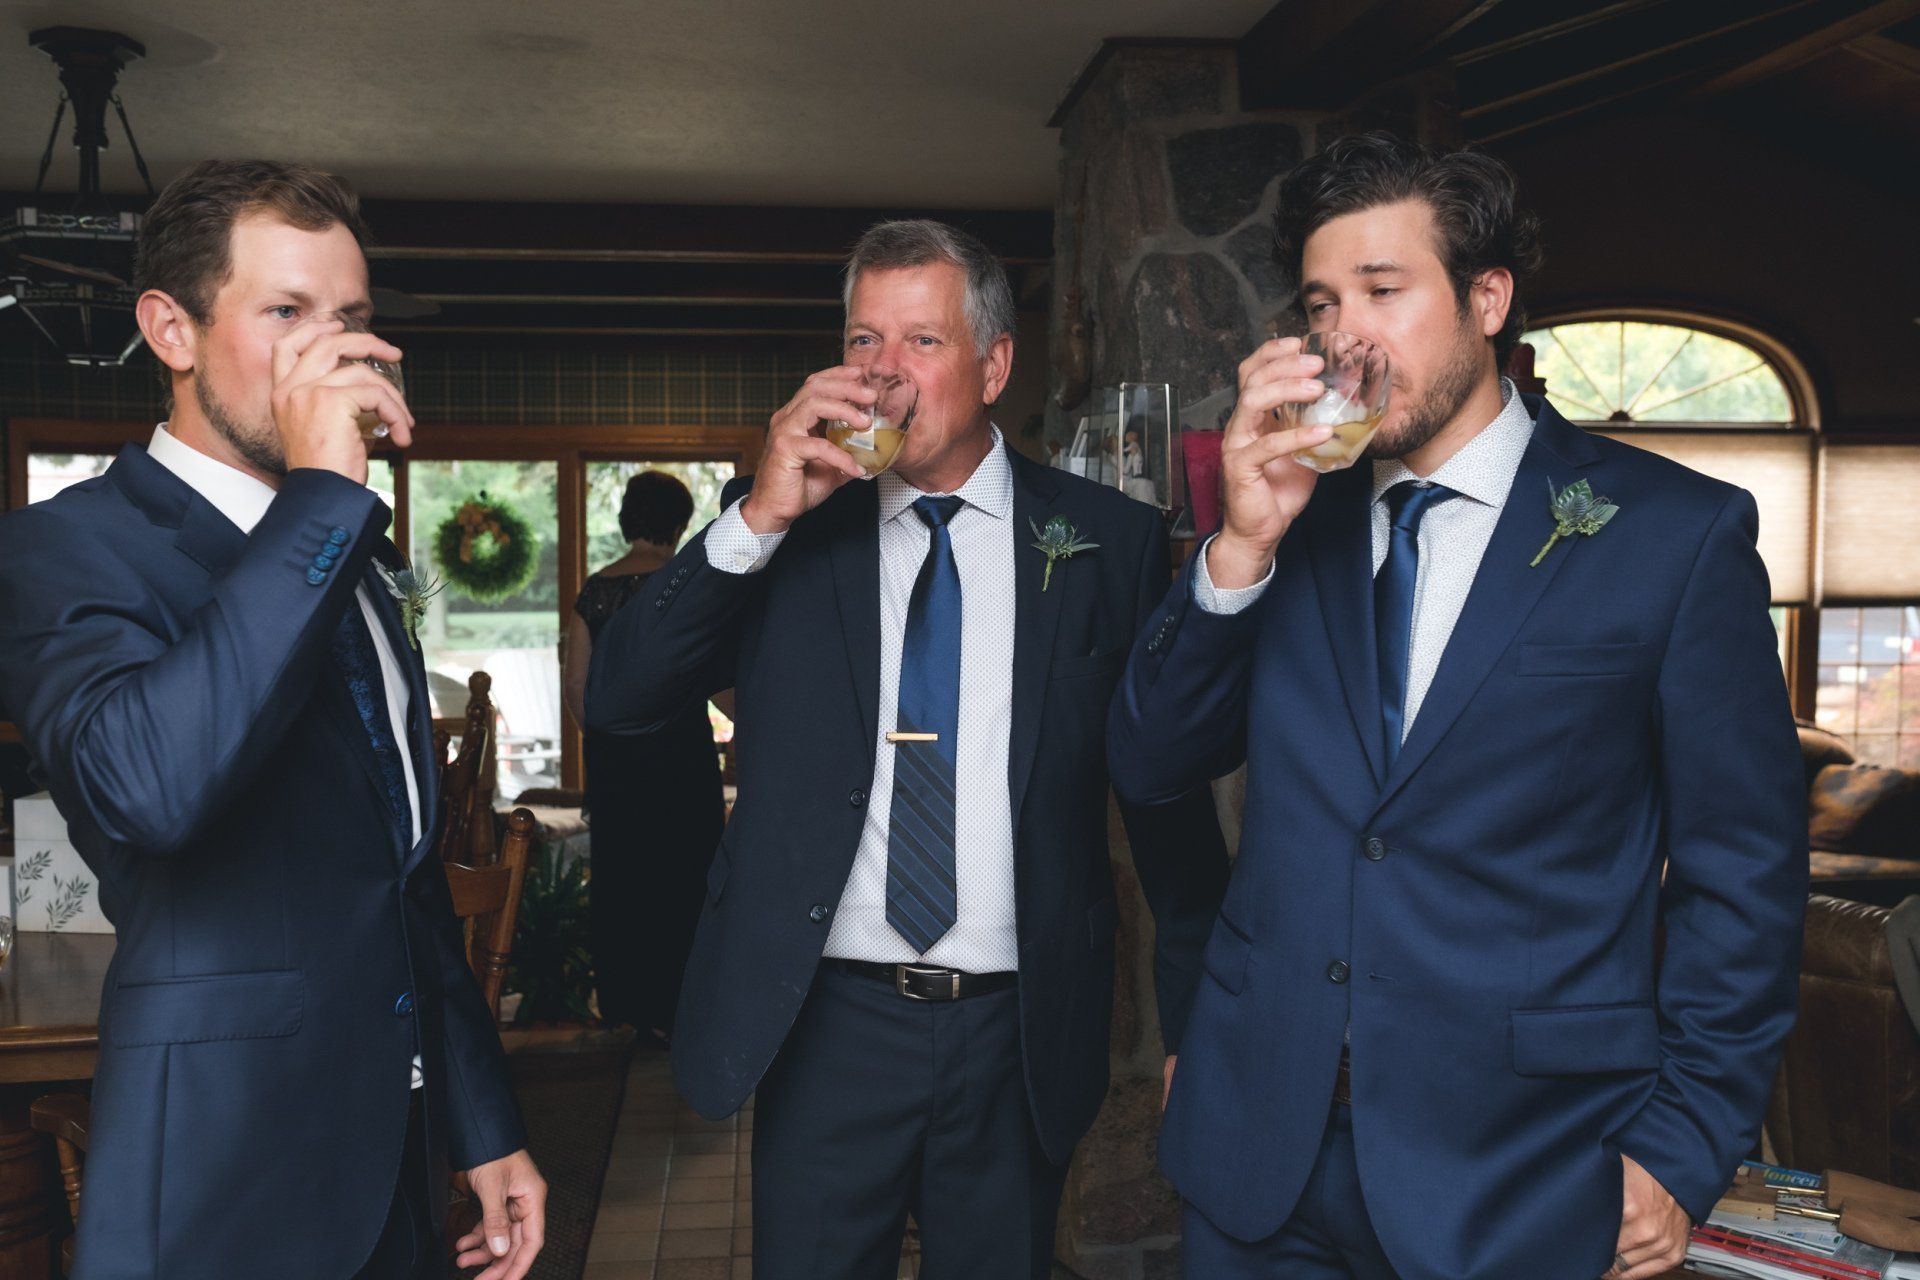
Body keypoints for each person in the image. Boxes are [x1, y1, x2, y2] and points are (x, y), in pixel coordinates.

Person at [1108, 133, 1806, 1280]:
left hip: (1518, 1170)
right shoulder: (1292, 521)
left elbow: (1747, 875)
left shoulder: (1674, 538)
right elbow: (1149, 761)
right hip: (1258, 1152)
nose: (1348, 337)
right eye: (1325, 304)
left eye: (1385, 291)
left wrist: (1683, 1145)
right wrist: (1239, 543)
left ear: (1488, 299)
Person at [586, 219, 1228, 1279]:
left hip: (1015, 1028)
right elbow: (622, 697)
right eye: (863, 341)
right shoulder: (790, 533)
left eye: (921, 342)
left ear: (994, 364)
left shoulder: (1103, 540)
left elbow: (1163, 780)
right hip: (829, 1020)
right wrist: (759, 511)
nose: (883, 372)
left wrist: (1199, 1010)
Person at [0, 160, 545, 1280]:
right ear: (172, 329)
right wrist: (320, 503)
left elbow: (402, 880)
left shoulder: (355, 555)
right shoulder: (64, 549)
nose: (329, 351)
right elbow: (150, 790)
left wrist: (483, 1122)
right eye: (286, 313)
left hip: (397, 1165)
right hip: (221, 1182)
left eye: (348, 319)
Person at [564, 471, 725, 1047]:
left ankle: (627, 1007)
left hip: (616, 763)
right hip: (680, 756)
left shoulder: (595, 590)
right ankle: (681, 1007)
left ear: (628, 519)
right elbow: (714, 680)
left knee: (624, 881)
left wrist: (610, 739)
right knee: (685, 878)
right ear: (679, 523)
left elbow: (577, 686)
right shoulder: (684, 585)